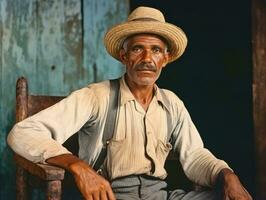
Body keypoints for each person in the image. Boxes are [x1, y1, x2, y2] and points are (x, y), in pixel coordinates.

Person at [8, 6, 252, 200]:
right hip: (110, 195)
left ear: (165, 59)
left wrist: (226, 174)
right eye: (138, 49)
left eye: (156, 50)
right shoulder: (97, 96)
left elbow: (195, 156)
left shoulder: (172, 103)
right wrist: (77, 166)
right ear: (124, 56)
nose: (147, 59)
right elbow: (22, 132)